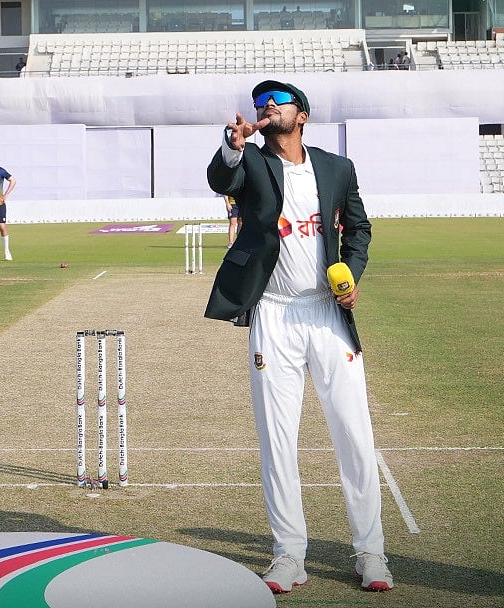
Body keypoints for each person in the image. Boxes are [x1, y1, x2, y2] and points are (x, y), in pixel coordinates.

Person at [205, 80, 392, 594]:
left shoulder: (336, 168)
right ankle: (289, 554)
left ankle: (370, 553)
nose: (267, 108)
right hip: (274, 312)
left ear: (302, 114)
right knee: (277, 439)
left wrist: (351, 275)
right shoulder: (252, 165)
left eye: (278, 102)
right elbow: (221, 179)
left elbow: (359, 229)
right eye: (261, 103)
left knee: (355, 433)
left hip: (327, 313)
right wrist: (232, 146)